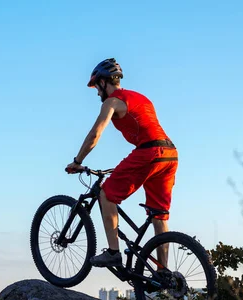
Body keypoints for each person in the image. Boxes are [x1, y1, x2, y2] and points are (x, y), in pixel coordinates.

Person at [66, 58, 178, 269]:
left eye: (96, 88)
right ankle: (164, 273)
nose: (97, 93)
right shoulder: (141, 98)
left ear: (103, 82)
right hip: (170, 155)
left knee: (106, 193)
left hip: (150, 152)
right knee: (159, 214)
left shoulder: (112, 102)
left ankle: (113, 252)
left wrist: (77, 161)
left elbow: (95, 133)